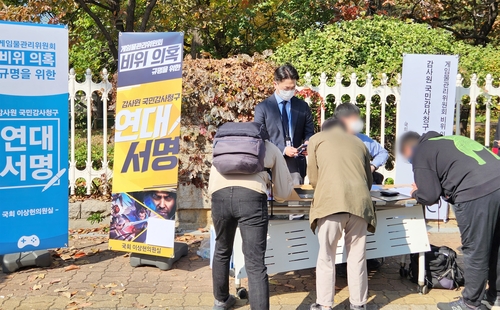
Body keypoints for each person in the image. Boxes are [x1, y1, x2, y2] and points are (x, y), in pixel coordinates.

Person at [399, 131, 500, 310]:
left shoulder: (421, 151)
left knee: (475, 249)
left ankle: (470, 303)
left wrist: (415, 192)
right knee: (496, 244)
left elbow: (429, 195)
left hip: (476, 192)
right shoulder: (450, 140)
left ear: (408, 149)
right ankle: (496, 294)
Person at [208, 123, 293, 310]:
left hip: (219, 196)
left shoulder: (220, 144)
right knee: (254, 261)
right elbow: (284, 191)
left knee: (222, 249)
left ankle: (221, 301)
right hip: (251, 198)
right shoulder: (267, 147)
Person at [307, 117, 376, 310]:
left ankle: (324, 304)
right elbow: (368, 181)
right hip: (359, 205)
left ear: (324, 129)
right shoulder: (359, 143)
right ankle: (359, 304)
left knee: (327, 255)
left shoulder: (317, 139)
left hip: (330, 203)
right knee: (357, 256)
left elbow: (313, 177)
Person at [334, 102, 388, 271]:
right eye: (355, 119)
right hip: (338, 193)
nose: (359, 123)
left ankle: (367, 257)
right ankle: (341, 261)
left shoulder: (364, 139)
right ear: (343, 120)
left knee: (358, 230)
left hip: (360, 192)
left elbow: (383, 153)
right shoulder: (331, 138)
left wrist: (372, 166)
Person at [254, 63, 315, 185]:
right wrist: (283, 149)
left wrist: (308, 143)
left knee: (295, 197)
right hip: (271, 160)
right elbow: (259, 137)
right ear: (275, 84)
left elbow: (309, 131)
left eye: (293, 88)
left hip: (296, 162)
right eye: (286, 88)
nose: (290, 91)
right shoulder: (263, 108)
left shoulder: (302, 107)